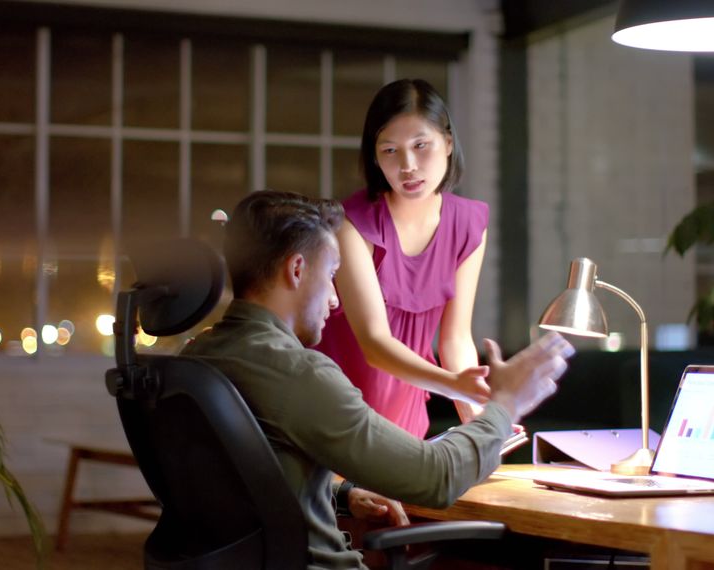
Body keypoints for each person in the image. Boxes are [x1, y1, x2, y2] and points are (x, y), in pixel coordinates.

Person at [182, 190, 572, 569]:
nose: (335, 299)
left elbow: (241, 475)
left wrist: (343, 494)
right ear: (297, 270)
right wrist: (504, 405)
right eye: (331, 275)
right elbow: (437, 477)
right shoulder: (298, 373)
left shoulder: (198, 357)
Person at [314, 79, 496, 439]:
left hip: (407, 424)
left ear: (448, 143)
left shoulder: (468, 224)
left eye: (420, 145)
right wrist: (455, 386)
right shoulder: (352, 225)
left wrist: (480, 422)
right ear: (375, 157)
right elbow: (375, 343)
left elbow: (456, 339)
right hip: (335, 420)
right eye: (390, 150)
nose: (408, 165)